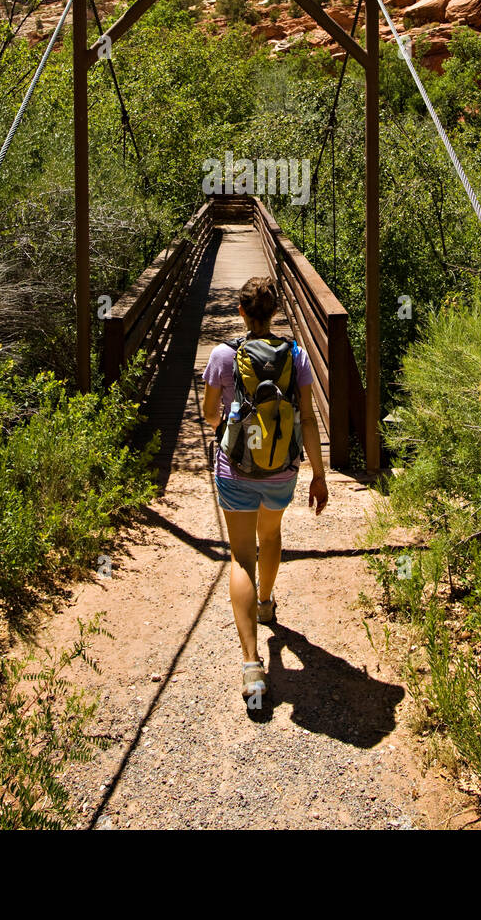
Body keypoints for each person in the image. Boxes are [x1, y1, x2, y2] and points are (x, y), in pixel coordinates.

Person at [202, 276, 328, 702]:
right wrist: (319, 474)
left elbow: (207, 415)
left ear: (240, 311)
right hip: (282, 469)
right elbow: (308, 418)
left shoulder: (224, 354)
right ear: (274, 313)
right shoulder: (296, 353)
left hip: (235, 468)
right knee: (270, 535)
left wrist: (231, 429)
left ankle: (252, 664)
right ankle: (267, 602)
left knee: (241, 557)